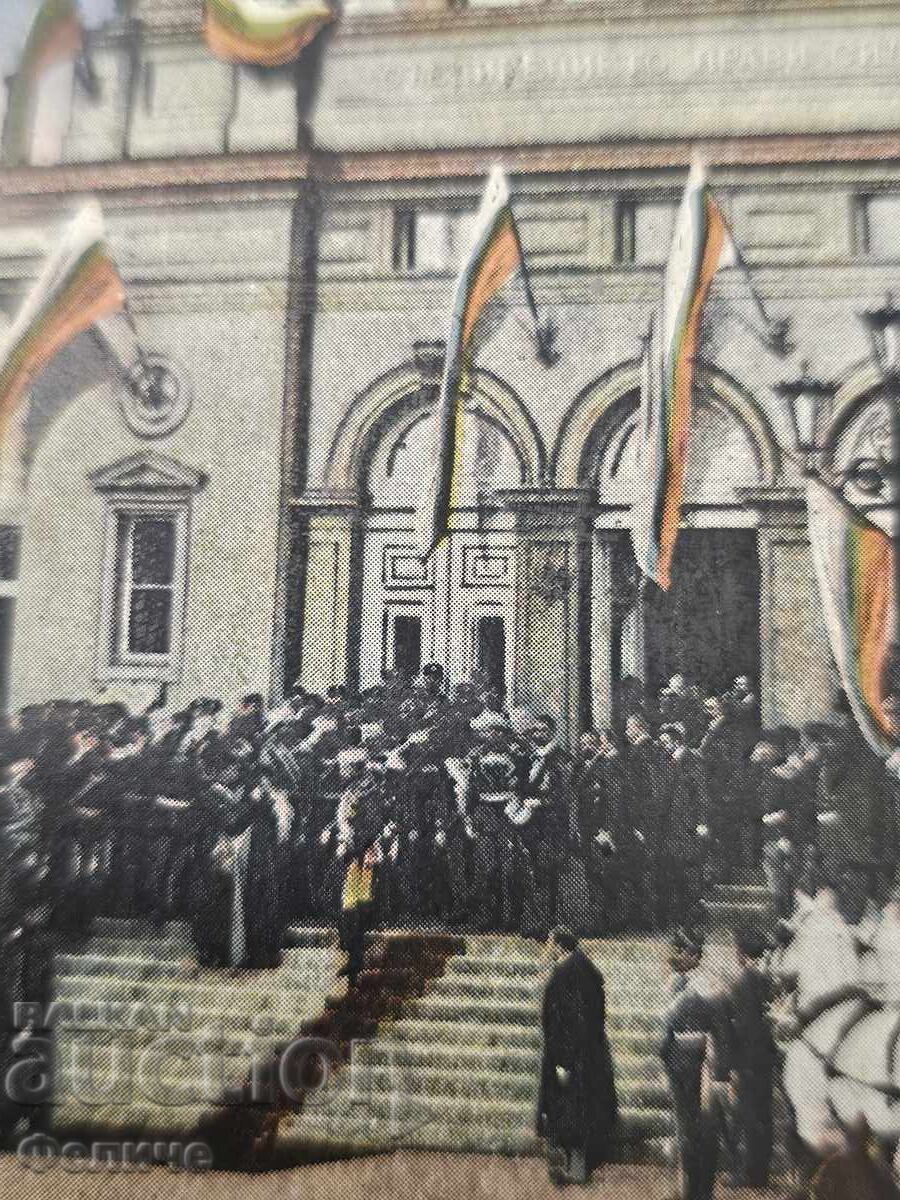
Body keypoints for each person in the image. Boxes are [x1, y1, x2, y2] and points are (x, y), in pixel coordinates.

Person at [536, 925, 617, 1184]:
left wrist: (563, 1059)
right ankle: (576, 1167)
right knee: (580, 1110)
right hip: (589, 1054)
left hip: (572, 1056)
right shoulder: (585, 970)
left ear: (559, 946)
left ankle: (575, 1170)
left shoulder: (566, 974)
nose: (547, 949)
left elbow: (566, 1020)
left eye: (550, 944)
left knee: (571, 1111)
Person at [659, 929, 729, 1200]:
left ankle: (690, 1191)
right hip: (707, 1064)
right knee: (701, 1130)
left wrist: (668, 1062)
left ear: (693, 956)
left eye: (684, 952)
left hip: (687, 1064)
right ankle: (700, 1191)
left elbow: (665, 1036)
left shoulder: (686, 988)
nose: (678, 957)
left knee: (687, 1130)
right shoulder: (708, 985)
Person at [723, 924, 777, 1190]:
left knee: (745, 1116)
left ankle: (746, 1173)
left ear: (742, 953)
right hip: (765, 1057)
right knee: (762, 1115)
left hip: (747, 1058)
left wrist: (732, 1064)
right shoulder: (766, 979)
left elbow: (741, 1028)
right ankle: (759, 1173)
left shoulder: (742, 983)